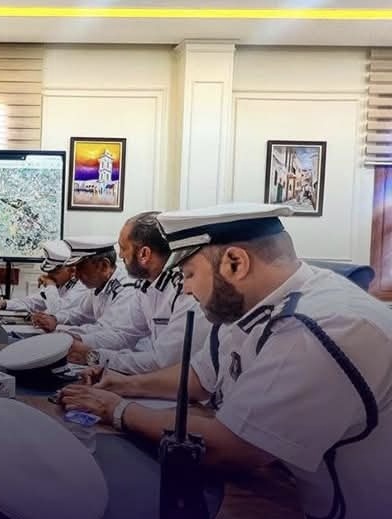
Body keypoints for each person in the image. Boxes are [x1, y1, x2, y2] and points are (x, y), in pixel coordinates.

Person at [60, 203, 392, 519]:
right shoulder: (256, 302)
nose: (185, 289)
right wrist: (123, 384)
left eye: (189, 274)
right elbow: (200, 377)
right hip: (281, 485)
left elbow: (230, 448)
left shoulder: (321, 326)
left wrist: (117, 409)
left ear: (235, 263)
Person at [63, 212, 210, 374]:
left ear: (144, 254)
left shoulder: (186, 292)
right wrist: (76, 341)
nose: (120, 256)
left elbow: (163, 362)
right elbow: (123, 333)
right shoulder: (146, 286)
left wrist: (95, 356)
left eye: (123, 248)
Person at [35, 237, 140, 333]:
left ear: (104, 266)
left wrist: (60, 329)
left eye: (81, 268)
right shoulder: (98, 285)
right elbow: (80, 314)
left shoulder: (127, 290)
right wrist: (55, 319)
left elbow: (106, 331)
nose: (75, 276)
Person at [0, 239, 86, 329]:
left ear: (72, 270)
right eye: (49, 271)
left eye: (55, 272)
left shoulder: (81, 287)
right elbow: (32, 302)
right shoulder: (59, 284)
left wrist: (50, 286)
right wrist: (4, 304)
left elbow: (56, 312)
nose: (50, 276)